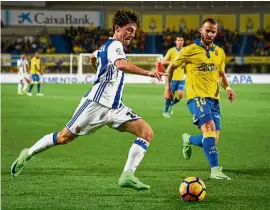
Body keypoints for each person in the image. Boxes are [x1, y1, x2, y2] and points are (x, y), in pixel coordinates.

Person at [11, 8, 164, 190]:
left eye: (134, 31)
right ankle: (28, 153)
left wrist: (99, 70)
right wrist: (149, 73)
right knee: (63, 137)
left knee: (146, 132)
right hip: (96, 105)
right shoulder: (115, 45)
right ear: (117, 28)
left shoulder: (105, 47)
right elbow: (121, 64)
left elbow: (92, 57)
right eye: (129, 29)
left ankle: (128, 175)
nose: (132, 34)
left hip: (115, 107)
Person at [164, 18, 236, 180]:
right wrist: (167, 87)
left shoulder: (220, 52)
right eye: (207, 30)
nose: (210, 34)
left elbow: (221, 74)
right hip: (197, 97)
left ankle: (188, 139)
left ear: (216, 33)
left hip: (214, 99)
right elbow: (172, 67)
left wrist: (228, 87)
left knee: (212, 139)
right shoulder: (189, 50)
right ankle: (215, 170)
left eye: (213, 31)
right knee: (209, 129)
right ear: (200, 30)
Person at [161, 36, 185, 118]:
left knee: (180, 95)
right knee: (170, 95)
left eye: (181, 40)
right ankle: (165, 110)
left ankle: (170, 104)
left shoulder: (185, 51)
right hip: (172, 77)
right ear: (176, 41)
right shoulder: (171, 51)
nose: (180, 42)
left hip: (181, 77)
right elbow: (163, 61)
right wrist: (172, 62)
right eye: (178, 40)